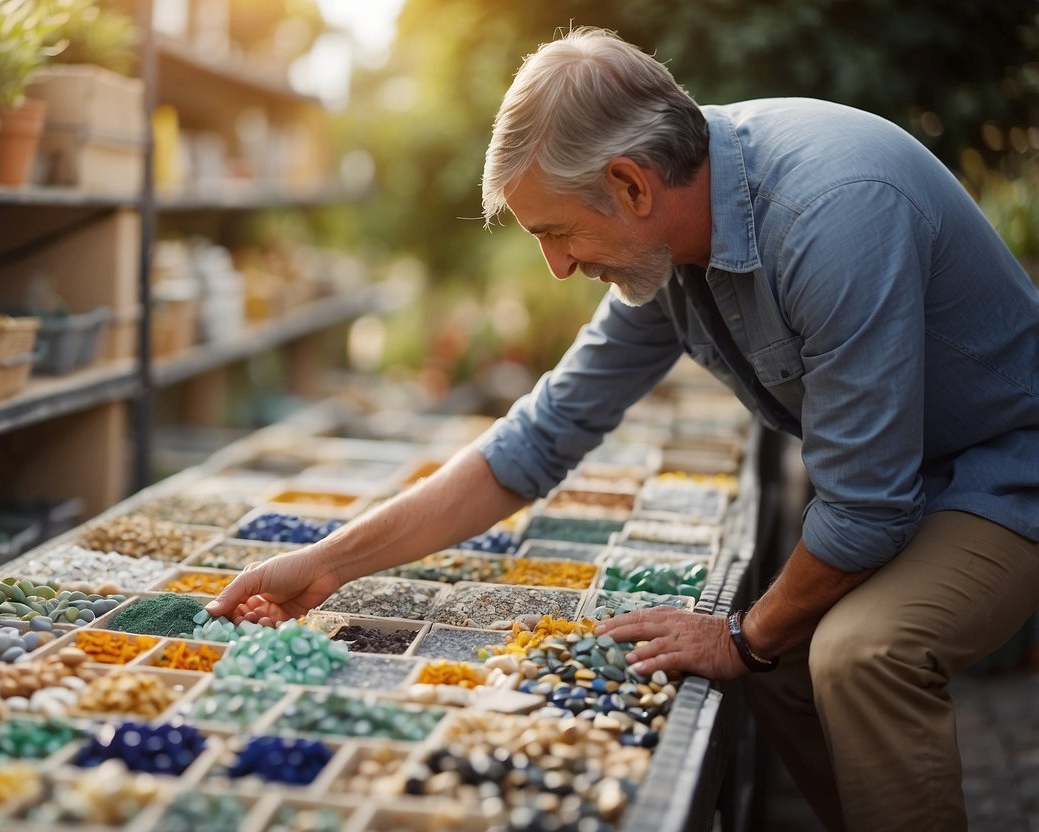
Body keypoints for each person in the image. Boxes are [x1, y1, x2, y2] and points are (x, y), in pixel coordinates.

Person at [206, 26, 1039, 832]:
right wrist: (325, 564)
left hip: (1005, 464)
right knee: (785, 661)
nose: (558, 268)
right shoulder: (669, 243)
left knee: (857, 652)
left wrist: (740, 636)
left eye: (557, 232)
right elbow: (537, 438)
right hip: (904, 476)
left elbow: (865, 511)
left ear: (632, 184)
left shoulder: (831, 211)